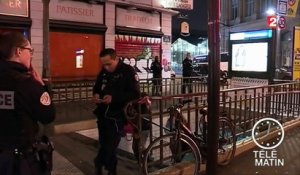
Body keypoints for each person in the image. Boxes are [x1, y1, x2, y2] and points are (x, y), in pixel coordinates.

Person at [0, 32, 55, 175]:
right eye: (30, 51)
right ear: (18, 51)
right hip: (20, 161)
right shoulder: (27, 83)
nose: (31, 55)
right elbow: (48, 115)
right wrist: (42, 87)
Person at [93, 48, 140, 175]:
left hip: (117, 116)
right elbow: (97, 86)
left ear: (116, 58)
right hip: (103, 114)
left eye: (109, 64)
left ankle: (110, 170)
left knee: (111, 146)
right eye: (103, 64)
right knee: (104, 144)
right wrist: (96, 94)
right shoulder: (103, 72)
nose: (106, 67)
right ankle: (99, 163)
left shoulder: (128, 71)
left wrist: (114, 98)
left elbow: (135, 94)